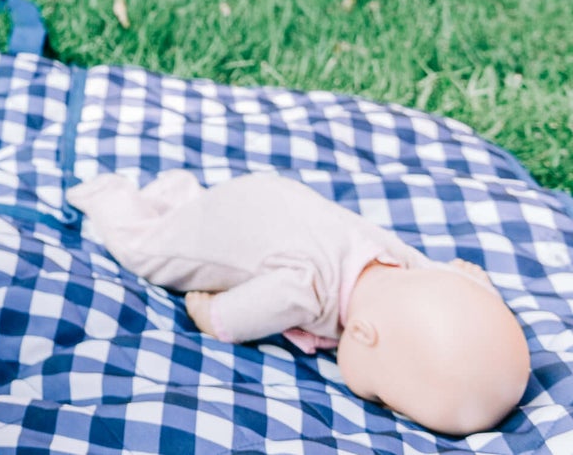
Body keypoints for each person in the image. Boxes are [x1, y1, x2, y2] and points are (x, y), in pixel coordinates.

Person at [68, 169, 532, 436]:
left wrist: (468, 281)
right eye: (382, 396)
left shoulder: (405, 266)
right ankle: (109, 196)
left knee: (197, 221)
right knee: (149, 252)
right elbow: (255, 308)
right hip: (238, 221)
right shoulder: (308, 287)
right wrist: (215, 318)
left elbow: (453, 282)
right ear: (366, 336)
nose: (379, 402)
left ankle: (179, 193)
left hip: (270, 201)